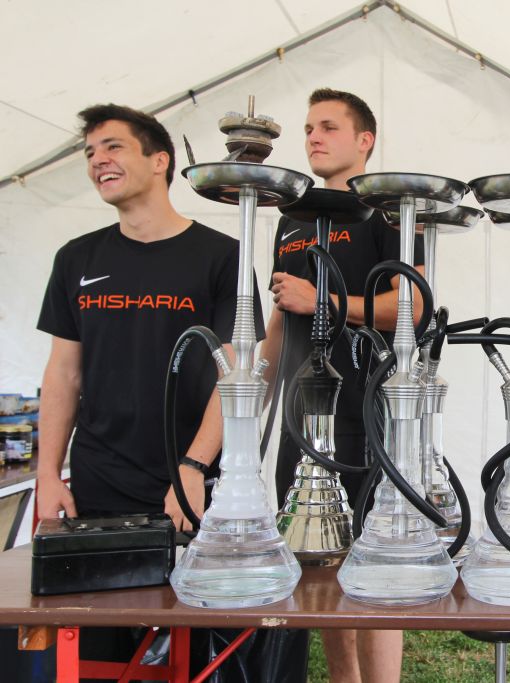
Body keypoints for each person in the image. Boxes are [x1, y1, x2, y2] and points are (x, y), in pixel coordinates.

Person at [35, 104, 265, 678]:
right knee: (102, 654)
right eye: (90, 152)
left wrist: (193, 467)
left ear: (159, 161)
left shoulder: (223, 256)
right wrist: (47, 474)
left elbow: (237, 376)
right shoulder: (76, 258)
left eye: (112, 147)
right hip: (98, 486)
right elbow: (63, 374)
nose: (98, 161)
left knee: (194, 651)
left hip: (189, 486)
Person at [260, 89, 423, 683]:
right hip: (303, 420)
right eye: (308, 128)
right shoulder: (290, 220)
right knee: (318, 563)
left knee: (375, 568)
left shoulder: (388, 211)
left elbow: (413, 306)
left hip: (368, 415)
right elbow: (281, 318)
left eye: (328, 126)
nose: (313, 138)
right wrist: (250, 391)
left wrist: (325, 301)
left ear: (365, 140)